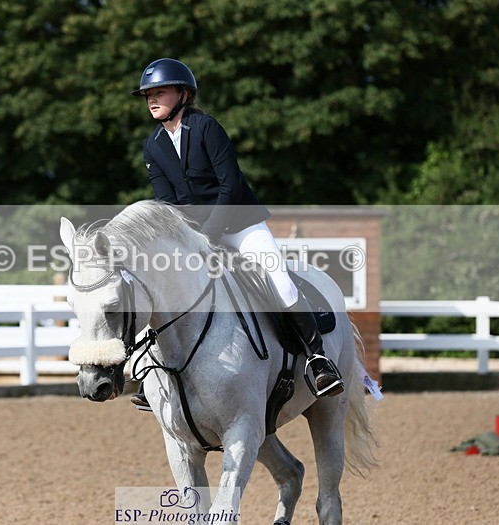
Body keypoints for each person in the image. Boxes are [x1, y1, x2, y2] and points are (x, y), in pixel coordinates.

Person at [130, 58, 343, 409]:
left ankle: (318, 359)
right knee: (162, 285)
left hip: (240, 224)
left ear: (183, 94)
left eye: (160, 92)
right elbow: (166, 201)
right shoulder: (152, 144)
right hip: (196, 233)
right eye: (148, 94)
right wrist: (185, 239)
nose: (152, 99)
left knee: (279, 280)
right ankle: (157, 373)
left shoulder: (206, 128)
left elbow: (229, 185)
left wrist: (210, 233)